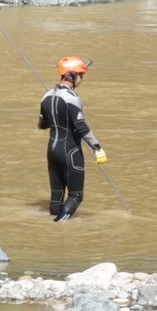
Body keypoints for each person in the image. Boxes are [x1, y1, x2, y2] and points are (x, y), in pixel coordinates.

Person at [38, 56, 107, 222]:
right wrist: (97, 148)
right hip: (70, 151)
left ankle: (52, 233)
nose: (82, 79)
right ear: (71, 75)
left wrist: (55, 115)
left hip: (52, 151)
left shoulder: (46, 96)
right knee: (76, 196)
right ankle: (58, 225)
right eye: (81, 75)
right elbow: (81, 126)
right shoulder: (72, 97)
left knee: (56, 197)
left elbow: (42, 125)